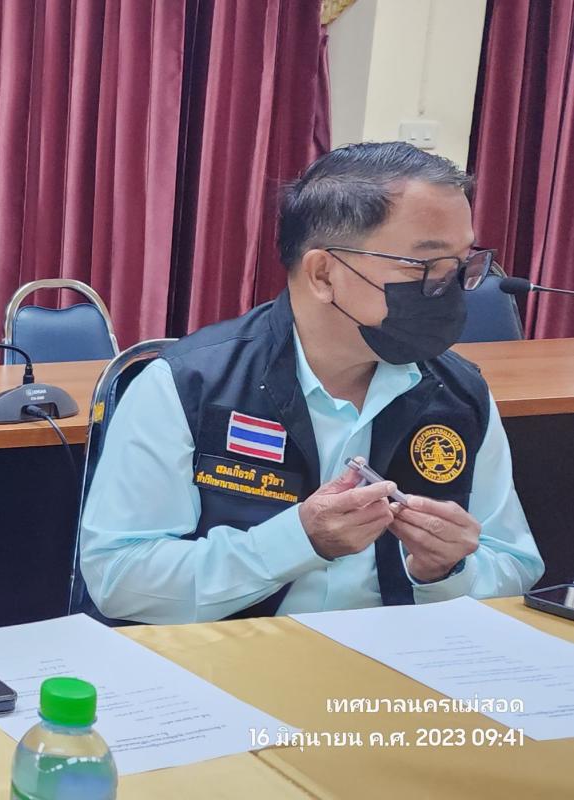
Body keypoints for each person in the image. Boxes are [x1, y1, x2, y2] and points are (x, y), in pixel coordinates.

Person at [80, 142, 544, 625]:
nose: (449, 288)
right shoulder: (188, 384)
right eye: (423, 265)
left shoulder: (460, 393)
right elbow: (118, 578)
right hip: (229, 654)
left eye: (460, 264)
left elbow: (515, 564)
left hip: (396, 654)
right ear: (323, 274)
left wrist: (447, 573)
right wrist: (296, 542)